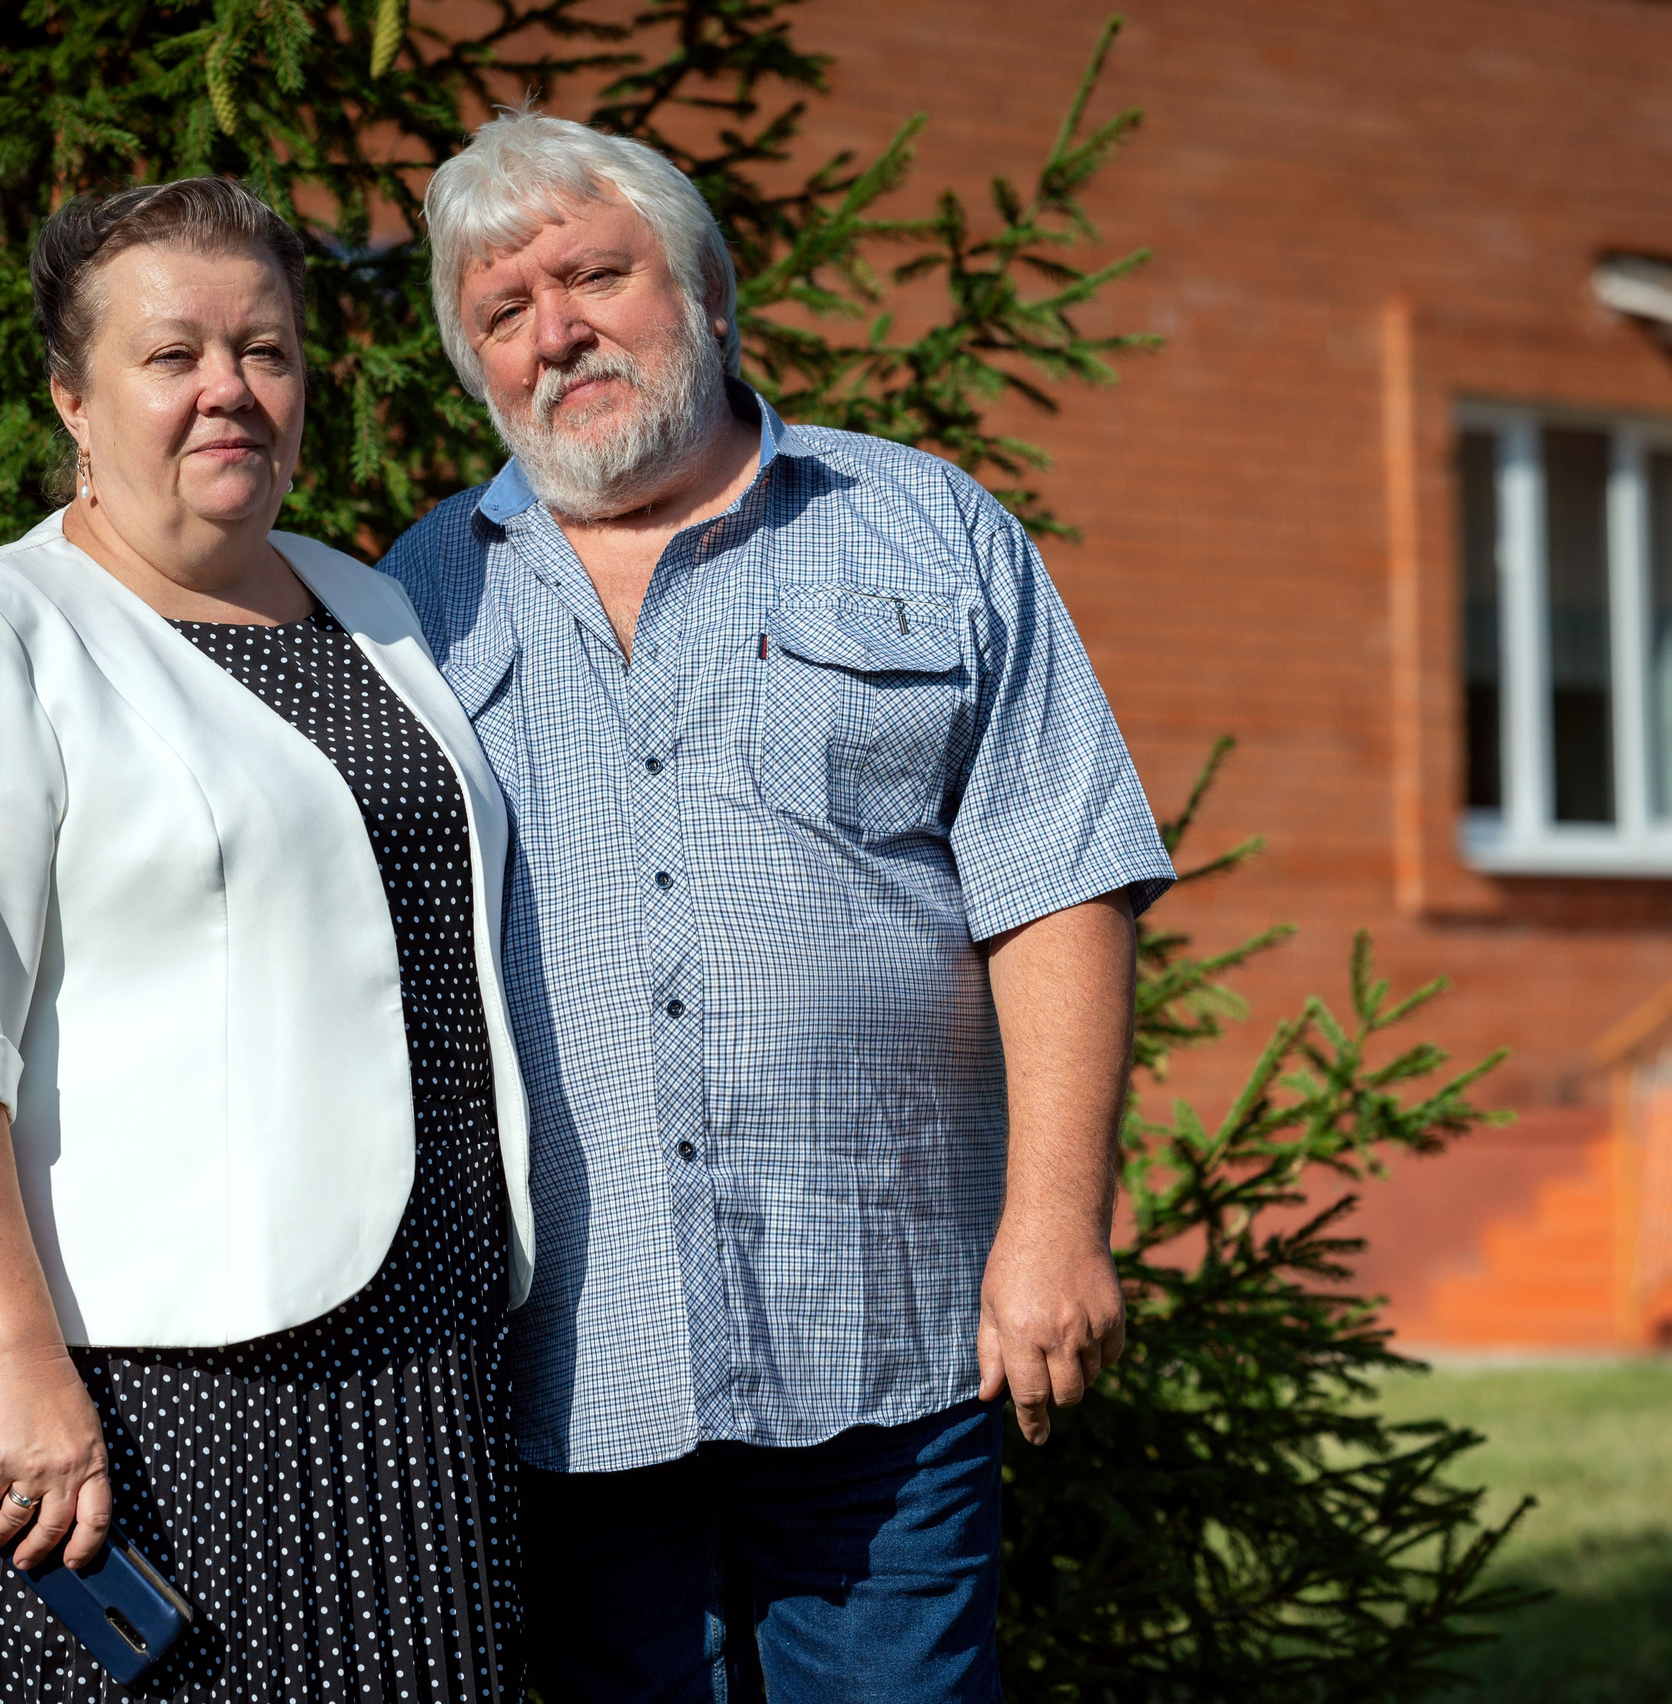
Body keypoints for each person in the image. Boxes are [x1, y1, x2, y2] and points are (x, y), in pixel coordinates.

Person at [383, 112, 1179, 1703]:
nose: (557, 332)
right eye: (504, 312)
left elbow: (1061, 879)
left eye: (596, 277)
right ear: (477, 369)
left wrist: (1054, 1221)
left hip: (886, 1342)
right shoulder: (422, 593)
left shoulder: (926, 528)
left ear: (707, 290)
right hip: (571, 1370)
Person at [0, 177, 532, 1703]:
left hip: (419, 1356)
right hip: (140, 1377)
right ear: (74, 401)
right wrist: (23, 1367)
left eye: (265, 350)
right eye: (173, 355)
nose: (229, 387)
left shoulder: (376, 610)